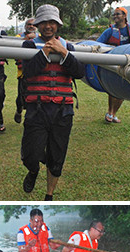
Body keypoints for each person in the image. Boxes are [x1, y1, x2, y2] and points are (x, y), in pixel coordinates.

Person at [20, 4, 84, 201]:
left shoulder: (69, 46)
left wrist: (63, 52)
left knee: (57, 158)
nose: (48, 26)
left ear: (57, 25)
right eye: (44, 23)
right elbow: (27, 74)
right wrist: (45, 53)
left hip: (63, 110)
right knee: (31, 154)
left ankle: (49, 195)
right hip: (37, 109)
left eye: (52, 23)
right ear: (38, 25)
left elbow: (79, 73)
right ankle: (33, 171)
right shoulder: (29, 46)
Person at [96, 7, 130, 124]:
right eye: (114, 14)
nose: (115, 16)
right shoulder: (110, 31)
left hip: (128, 64)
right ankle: (109, 112)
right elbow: (97, 45)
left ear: (124, 16)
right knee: (113, 89)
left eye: (118, 14)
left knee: (123, 90)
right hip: (113, 64)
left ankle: (114, 113)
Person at [14, 18, 36, 124]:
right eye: (29, 24)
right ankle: (19, 111)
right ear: (25, 26)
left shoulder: (40, 38)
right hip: (23, 73)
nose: (31, 26)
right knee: (21, 97)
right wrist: (27, 39)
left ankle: (31, 119)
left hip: (36, 73)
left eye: (33, 25)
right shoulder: (19, 37)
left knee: (34, 97)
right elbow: (14, 48)